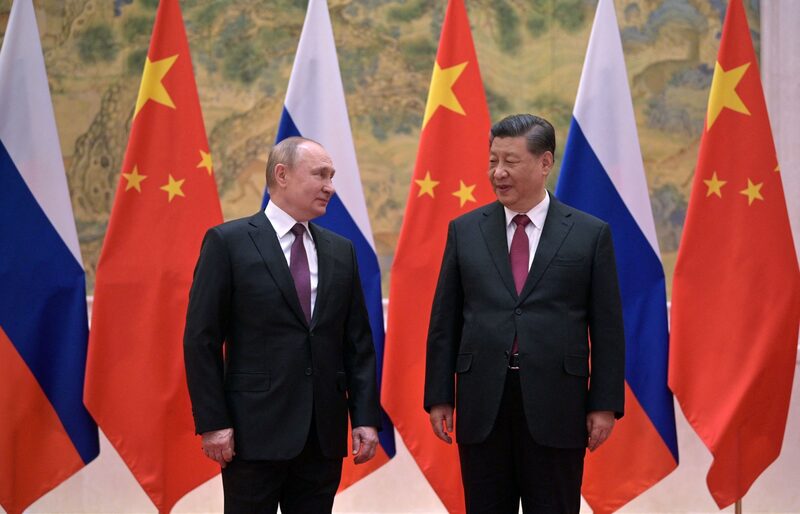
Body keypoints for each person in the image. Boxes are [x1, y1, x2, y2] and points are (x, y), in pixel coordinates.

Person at [424, 114, 625, 514]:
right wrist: (439, 396)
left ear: (545, 162)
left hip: (558, 403)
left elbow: (608, 328)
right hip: (483, 402)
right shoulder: (465, 231)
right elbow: (444, 321)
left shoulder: (589, 233)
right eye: (493, 160)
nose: (498, 172)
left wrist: (603, 403)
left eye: (510, 162)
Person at [184, 136, 381, 513]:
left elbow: (358, 343)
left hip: (321, 433)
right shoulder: (228, 243)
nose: (330, 187)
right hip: (251, 431)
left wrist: (365, 418)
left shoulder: (342, 250)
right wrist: (213, 422)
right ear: (282, 174)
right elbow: (201, 340)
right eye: (320, 174)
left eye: (332, 176)